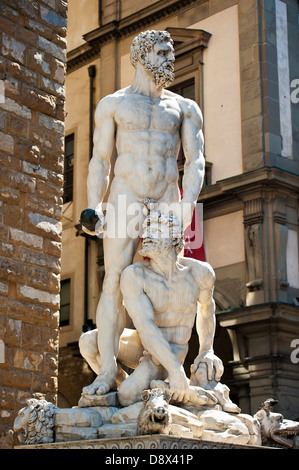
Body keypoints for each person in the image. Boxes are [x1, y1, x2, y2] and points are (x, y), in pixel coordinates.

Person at [80, 30, 205, 396]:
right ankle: (106, 370)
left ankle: (163, 365)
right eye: (163, 52)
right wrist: (93, 206)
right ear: (142, 56)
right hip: (125, 195)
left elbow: (195, 160)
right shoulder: (113, 104)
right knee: (114, 280)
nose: (171, 57)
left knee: (169, 281)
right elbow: (100, 161)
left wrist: (187, 205)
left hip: (167, 196)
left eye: (172, 52)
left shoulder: (184, 107)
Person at [79, 210, 223, 406]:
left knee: (129, 396)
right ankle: (121, 384)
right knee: (88, 341)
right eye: (147, 231)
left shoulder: (200, 273)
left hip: (173, 348)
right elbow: (145, 326)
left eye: (155, 230)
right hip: (143, 342)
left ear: (174, 237)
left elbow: (207, 310)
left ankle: (167, 391)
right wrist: (175, 370)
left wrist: (206, 350)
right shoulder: (135, 275)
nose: (147, 236)